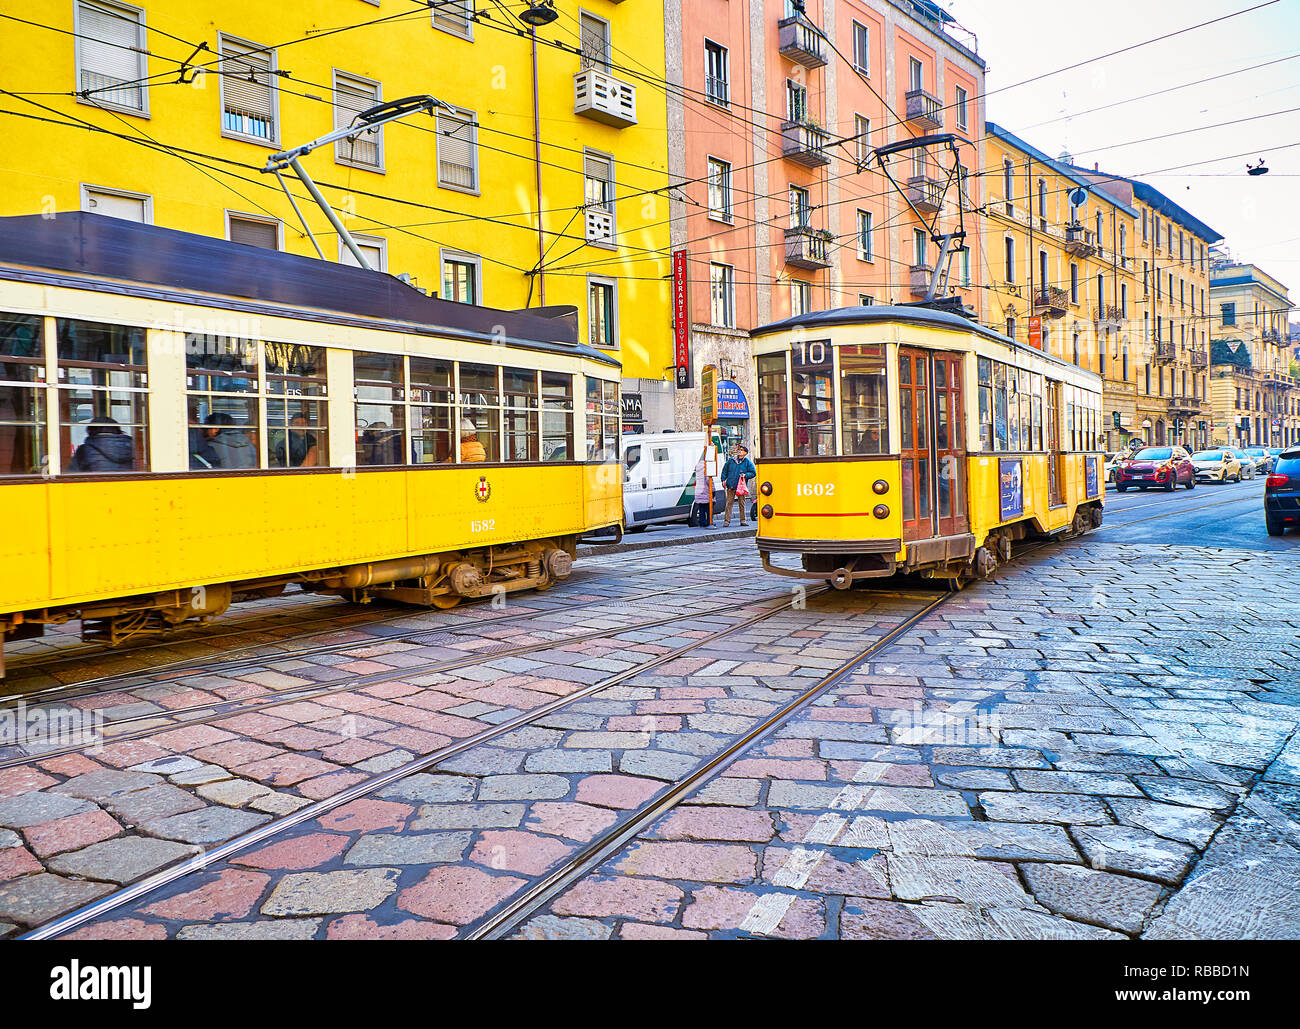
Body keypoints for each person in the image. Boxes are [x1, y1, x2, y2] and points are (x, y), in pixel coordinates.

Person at [68, 416, 134, 472]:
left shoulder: (84, 450)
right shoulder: (132, 446)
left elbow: (71, 473)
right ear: (117, 429)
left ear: (91, 430)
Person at [192, 411, 256, 469]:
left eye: (207, 428)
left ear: (216, 429)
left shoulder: (210, 447)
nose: (204, 430)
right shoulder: (249, 445)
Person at [720, 444, 756, 526]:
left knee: (741, 504)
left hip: (741, 486)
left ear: (745, 453)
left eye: (742, 450)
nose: (739, 451)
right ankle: (726, 521)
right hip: (731, 485)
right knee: (729, 503)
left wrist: (745, 475)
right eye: (739, 450)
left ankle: (743, 521)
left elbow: (753, 473)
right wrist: (723, 480)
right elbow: (724, 471)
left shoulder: (747, 462)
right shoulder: (731, 460)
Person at [689, 452, 712, 529]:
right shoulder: (706, 468)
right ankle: (708, 522)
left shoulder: (697, 468)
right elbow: (709, 481)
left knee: (701, 509)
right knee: (708, 509)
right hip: (705, 491)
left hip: (698, 492)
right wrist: (713, 491)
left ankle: (702, 522)